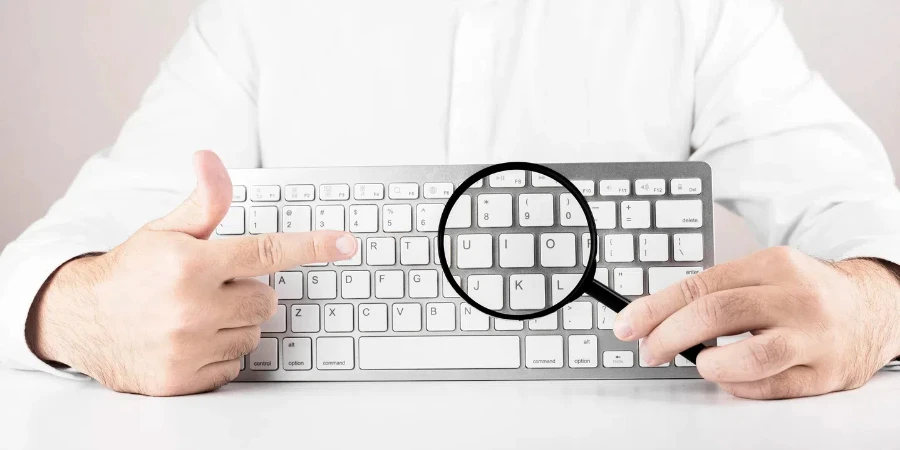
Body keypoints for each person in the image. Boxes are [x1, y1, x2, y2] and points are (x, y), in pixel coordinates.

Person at [2, 0, 899, 398]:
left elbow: (866, 220)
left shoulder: (702, 10)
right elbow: (42, 265)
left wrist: (867, 306)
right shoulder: (257, 15)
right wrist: (85, 312)